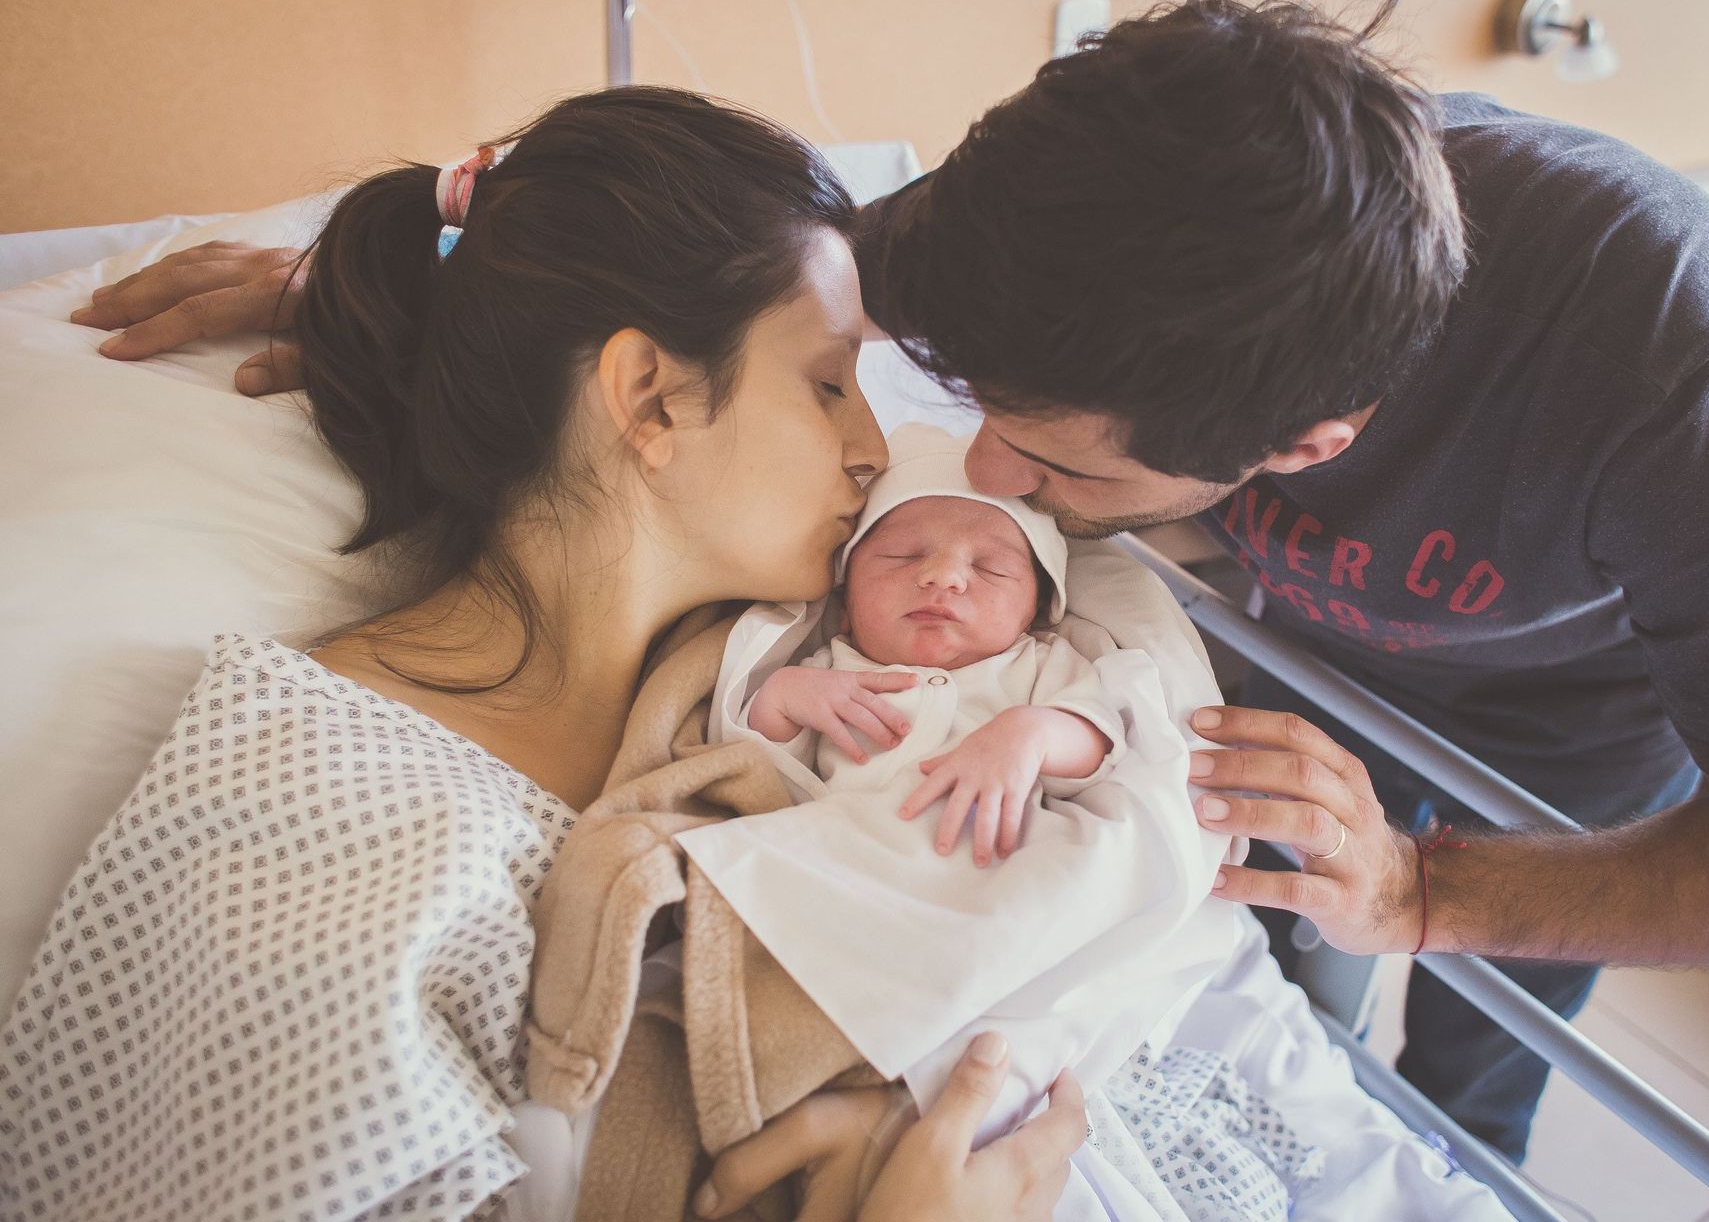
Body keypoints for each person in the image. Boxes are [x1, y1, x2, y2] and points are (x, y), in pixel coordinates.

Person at [76, 0, 1709, 1164]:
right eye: (926, 398)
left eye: (1066, 469)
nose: (970, 480)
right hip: (1273, 690)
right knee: (1275, 946)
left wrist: (1433, 892)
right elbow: (682, 274)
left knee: (1447, 1087)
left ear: (1302, 447)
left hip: (1575, 740)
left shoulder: (1638, 347)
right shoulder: (1048, 247)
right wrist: (388, 277)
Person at [16, 86, 1083, 1220]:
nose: (875, 448)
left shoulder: (754, 675)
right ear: (648, 396)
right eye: (827, 384)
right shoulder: (323, 819)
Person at [747, 428, 1119, 865]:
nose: (944, 577)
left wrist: (1031, 733)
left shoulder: (1039, 664)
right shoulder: (831, 672)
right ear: (845, 601)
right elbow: (762, 770)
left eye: (990, 568)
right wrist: (781, 698)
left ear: (1033, 611)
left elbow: (1097, 742)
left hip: (987, 871)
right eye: (901, 556)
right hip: (838, 860)